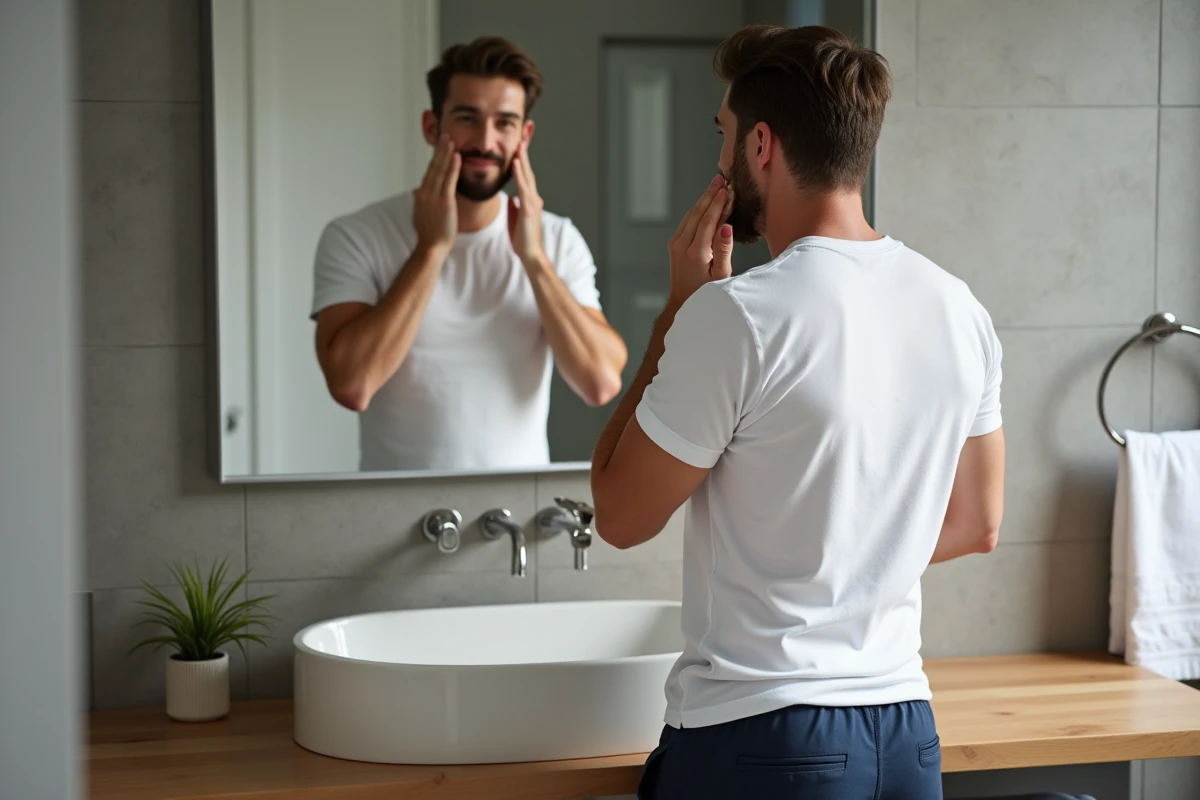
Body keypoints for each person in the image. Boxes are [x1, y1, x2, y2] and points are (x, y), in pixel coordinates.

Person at [590, 25, 1005, 800]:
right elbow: (976, 523)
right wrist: (848, 562)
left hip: (763, 736)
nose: (720, 158)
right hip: (906, 737)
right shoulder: (959, 308)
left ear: (761, 146)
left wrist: (677, 311)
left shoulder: (736, 316)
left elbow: (618, 513)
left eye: (724, 133)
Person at [311, 37, 627, 472]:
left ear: (524, 136)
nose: (485, 141)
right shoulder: (357, 235)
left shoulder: (557, 240)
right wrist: (431, 249)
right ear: (430, 126)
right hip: (393, 514)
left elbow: (602, 382)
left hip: (516, 516)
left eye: (504, 123)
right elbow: (352, 385)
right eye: (466, 118)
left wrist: (534, 260)